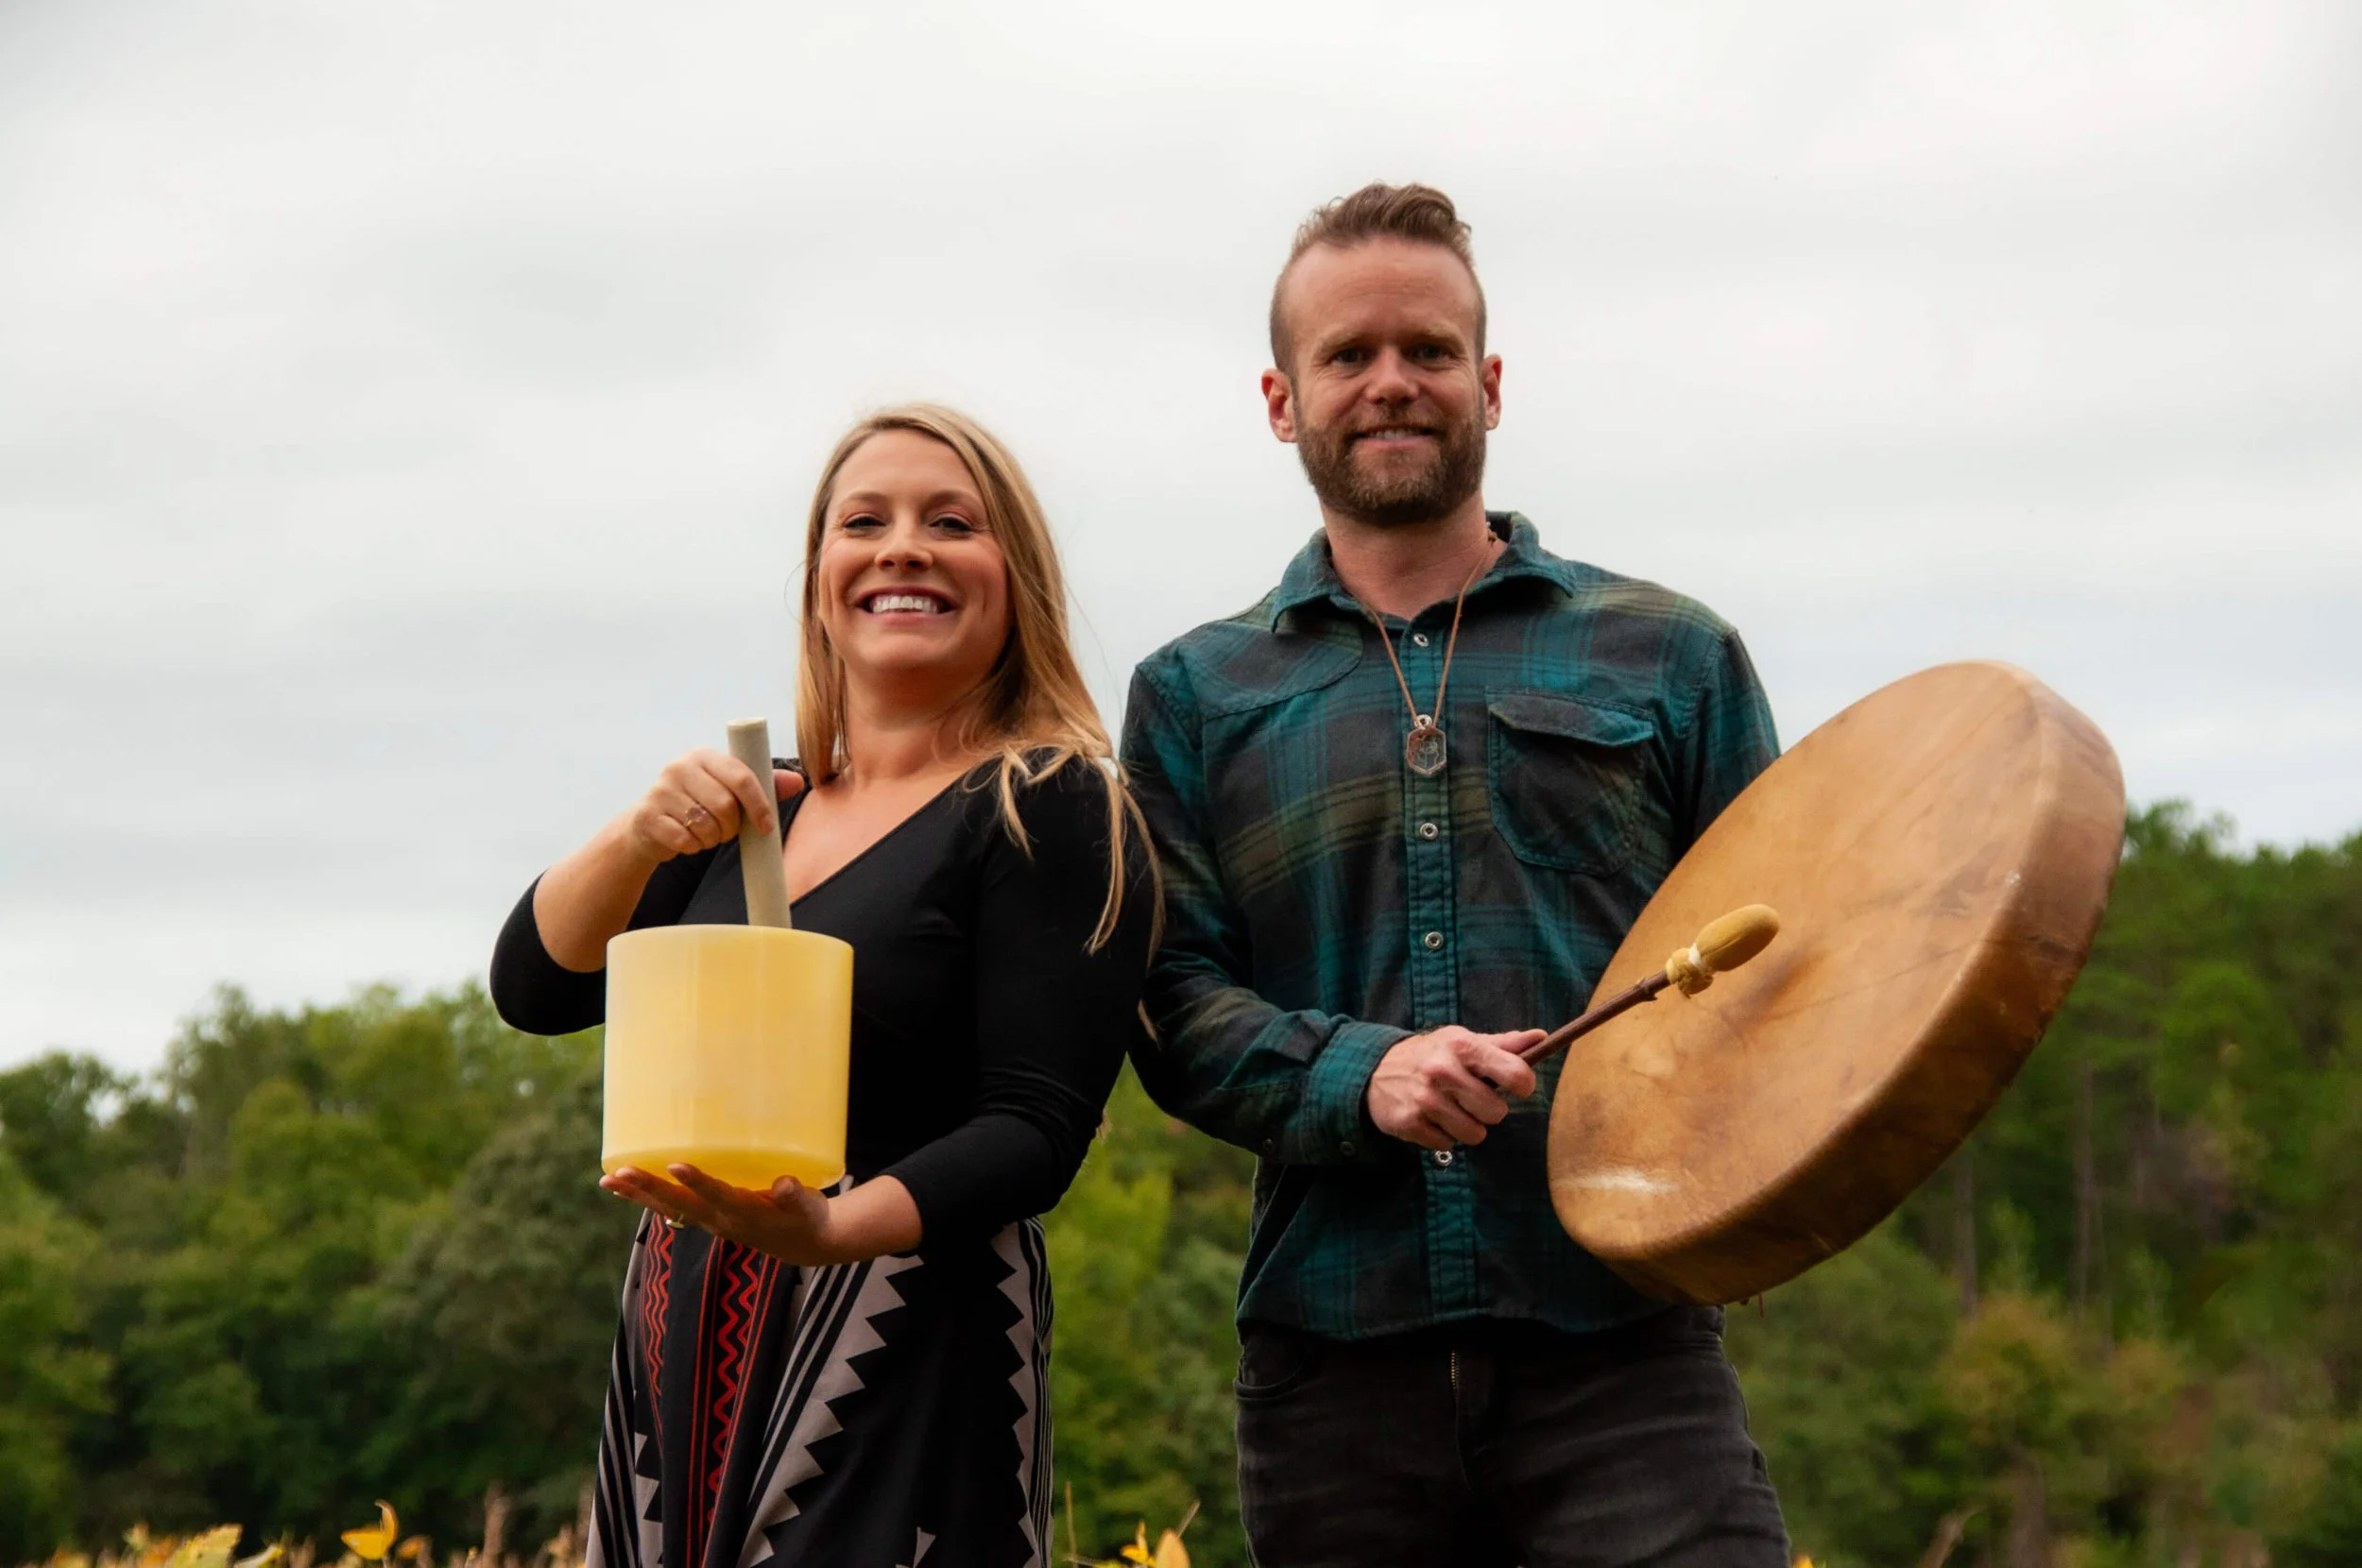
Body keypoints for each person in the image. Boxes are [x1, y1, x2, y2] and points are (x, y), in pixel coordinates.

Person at [1121, 184, 1791, 1564]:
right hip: (1331, 1368)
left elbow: (1782, 976)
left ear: (1488, 383)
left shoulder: (1670, 655)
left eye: (1428, 352)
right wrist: (1359, 1075)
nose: (1391, 384)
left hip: (1627, 1352)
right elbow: (1170, 1008)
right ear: (1281, 399)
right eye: (1347, 356)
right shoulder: (1195, 694)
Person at [490, 404, 1154, 1568]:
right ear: (820, 579)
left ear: (1017, 580)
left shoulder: (1044, 799)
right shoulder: (757, 813)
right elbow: (534, 986)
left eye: (951, 522)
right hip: (678, 1338)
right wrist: (638, 833)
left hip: (901, 1330)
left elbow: (1034, 1126)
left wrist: (834, 1229)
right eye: (866, 522)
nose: (903, 546)